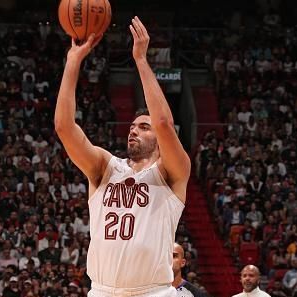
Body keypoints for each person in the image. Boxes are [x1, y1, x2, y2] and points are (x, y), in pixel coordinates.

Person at [55, 16, 191, 297]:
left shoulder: (172, 173)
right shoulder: (105, 167)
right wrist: (73, 61)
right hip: (102, 291)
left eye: (143, 127)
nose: (133, 131)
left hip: (153, 292)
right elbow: (64, 127)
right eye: (132, 127)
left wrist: (141, 60)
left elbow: (164, 123)